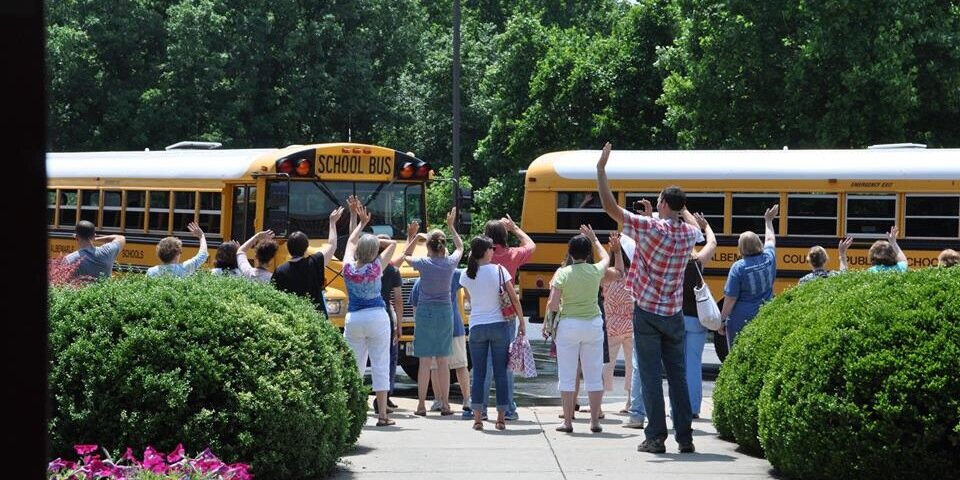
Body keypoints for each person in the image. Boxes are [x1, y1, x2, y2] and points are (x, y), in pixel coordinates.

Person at [595, 142, 702, 454]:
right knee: (678, 376)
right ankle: (685, 437)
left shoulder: (650, 228)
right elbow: (696, 228)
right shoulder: (687, 235)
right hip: (674, 313)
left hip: (646, 311)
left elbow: (610, 207)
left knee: (652, 376)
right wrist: (681, 210)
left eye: (659, 201)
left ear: (664, 204)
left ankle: (656, 437)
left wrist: (601, 170)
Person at [459, 236, 526, 431]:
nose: (493, 252)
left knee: (479, 374)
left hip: (477, 327)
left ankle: (478, 418)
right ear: (486, 251)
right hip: (499, 326)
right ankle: (501, 418)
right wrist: (521, 321)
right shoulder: (499, 271)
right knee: (501, 374)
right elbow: (513, 298)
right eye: (491, 249)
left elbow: (470, 299)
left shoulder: (466, 274)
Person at [401, 209, 464, 416]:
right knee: (444, 361)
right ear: (443, 246)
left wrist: (415, 238)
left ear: (428, 247)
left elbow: (405, 255)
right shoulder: (450, 263)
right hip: (445, 312)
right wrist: (452, 226)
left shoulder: (424, 264)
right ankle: (445, 404)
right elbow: (461, 247)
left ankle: (421, 405)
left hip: (425, 312)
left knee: (425, 362)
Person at [548, 225, 609, 434]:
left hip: (568, 325)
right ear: (588, 253)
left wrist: (550, 323)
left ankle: (567, 422)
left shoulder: (562, 274)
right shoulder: (595, 270)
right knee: (593, 373)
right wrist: (595, 240)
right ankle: (594, 421)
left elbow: (554, 304)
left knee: (566, 374)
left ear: (570, 252)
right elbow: (606, 258)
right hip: (593, 324)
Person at [342, 200, 397, 427]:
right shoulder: (377, 268)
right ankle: (382, 415)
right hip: (377, 316)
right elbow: (393, 243)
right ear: (375, 251)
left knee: (354, 366)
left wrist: (360, 224)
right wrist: (376, 240)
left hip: (354, 318)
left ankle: (354, 413)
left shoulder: (347, 267)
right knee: (380, 364)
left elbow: (351, 242)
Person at [480, 215, 536, 421]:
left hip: (483, 315)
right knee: (506, 364)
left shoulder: (480, 257)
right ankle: (509, 408)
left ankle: (482, 408)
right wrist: (514, 228)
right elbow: (531, 245)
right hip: (507, 315)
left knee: (484, 364)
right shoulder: (512, 255)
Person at [412, 268, 474, 420]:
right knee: (459, 365)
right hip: (453, 326)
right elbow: (470, 274)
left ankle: (438, 400)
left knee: (434, 367)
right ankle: (465, 399)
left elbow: (415, 309)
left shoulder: (420, 282)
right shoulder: (452, 275)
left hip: (431, 330)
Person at [718, 205, 779, 351]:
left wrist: (722, 320)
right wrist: (768, 221)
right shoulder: (769, 257)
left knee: (738, 356)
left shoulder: (738, 268)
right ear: (759, 243)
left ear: (741, 248)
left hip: (741, 319)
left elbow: (730, 298)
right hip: (767, 313)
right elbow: (770, 238)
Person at [680, 211, 717, 419]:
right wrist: (705, 225)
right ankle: (694, 407)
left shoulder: (672, 263)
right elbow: (712, 243)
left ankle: (678, 406)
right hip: (697, 319)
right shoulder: (696, 262)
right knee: (693, 363)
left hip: (677, 318)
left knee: (676, 365)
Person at [271, 207, 344, 316]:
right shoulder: (314, 262)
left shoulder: (279, 271)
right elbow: (332, 245)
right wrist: (332, 222)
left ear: (288, 248)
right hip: (315, 317)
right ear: (306, 248)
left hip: (292, 318)